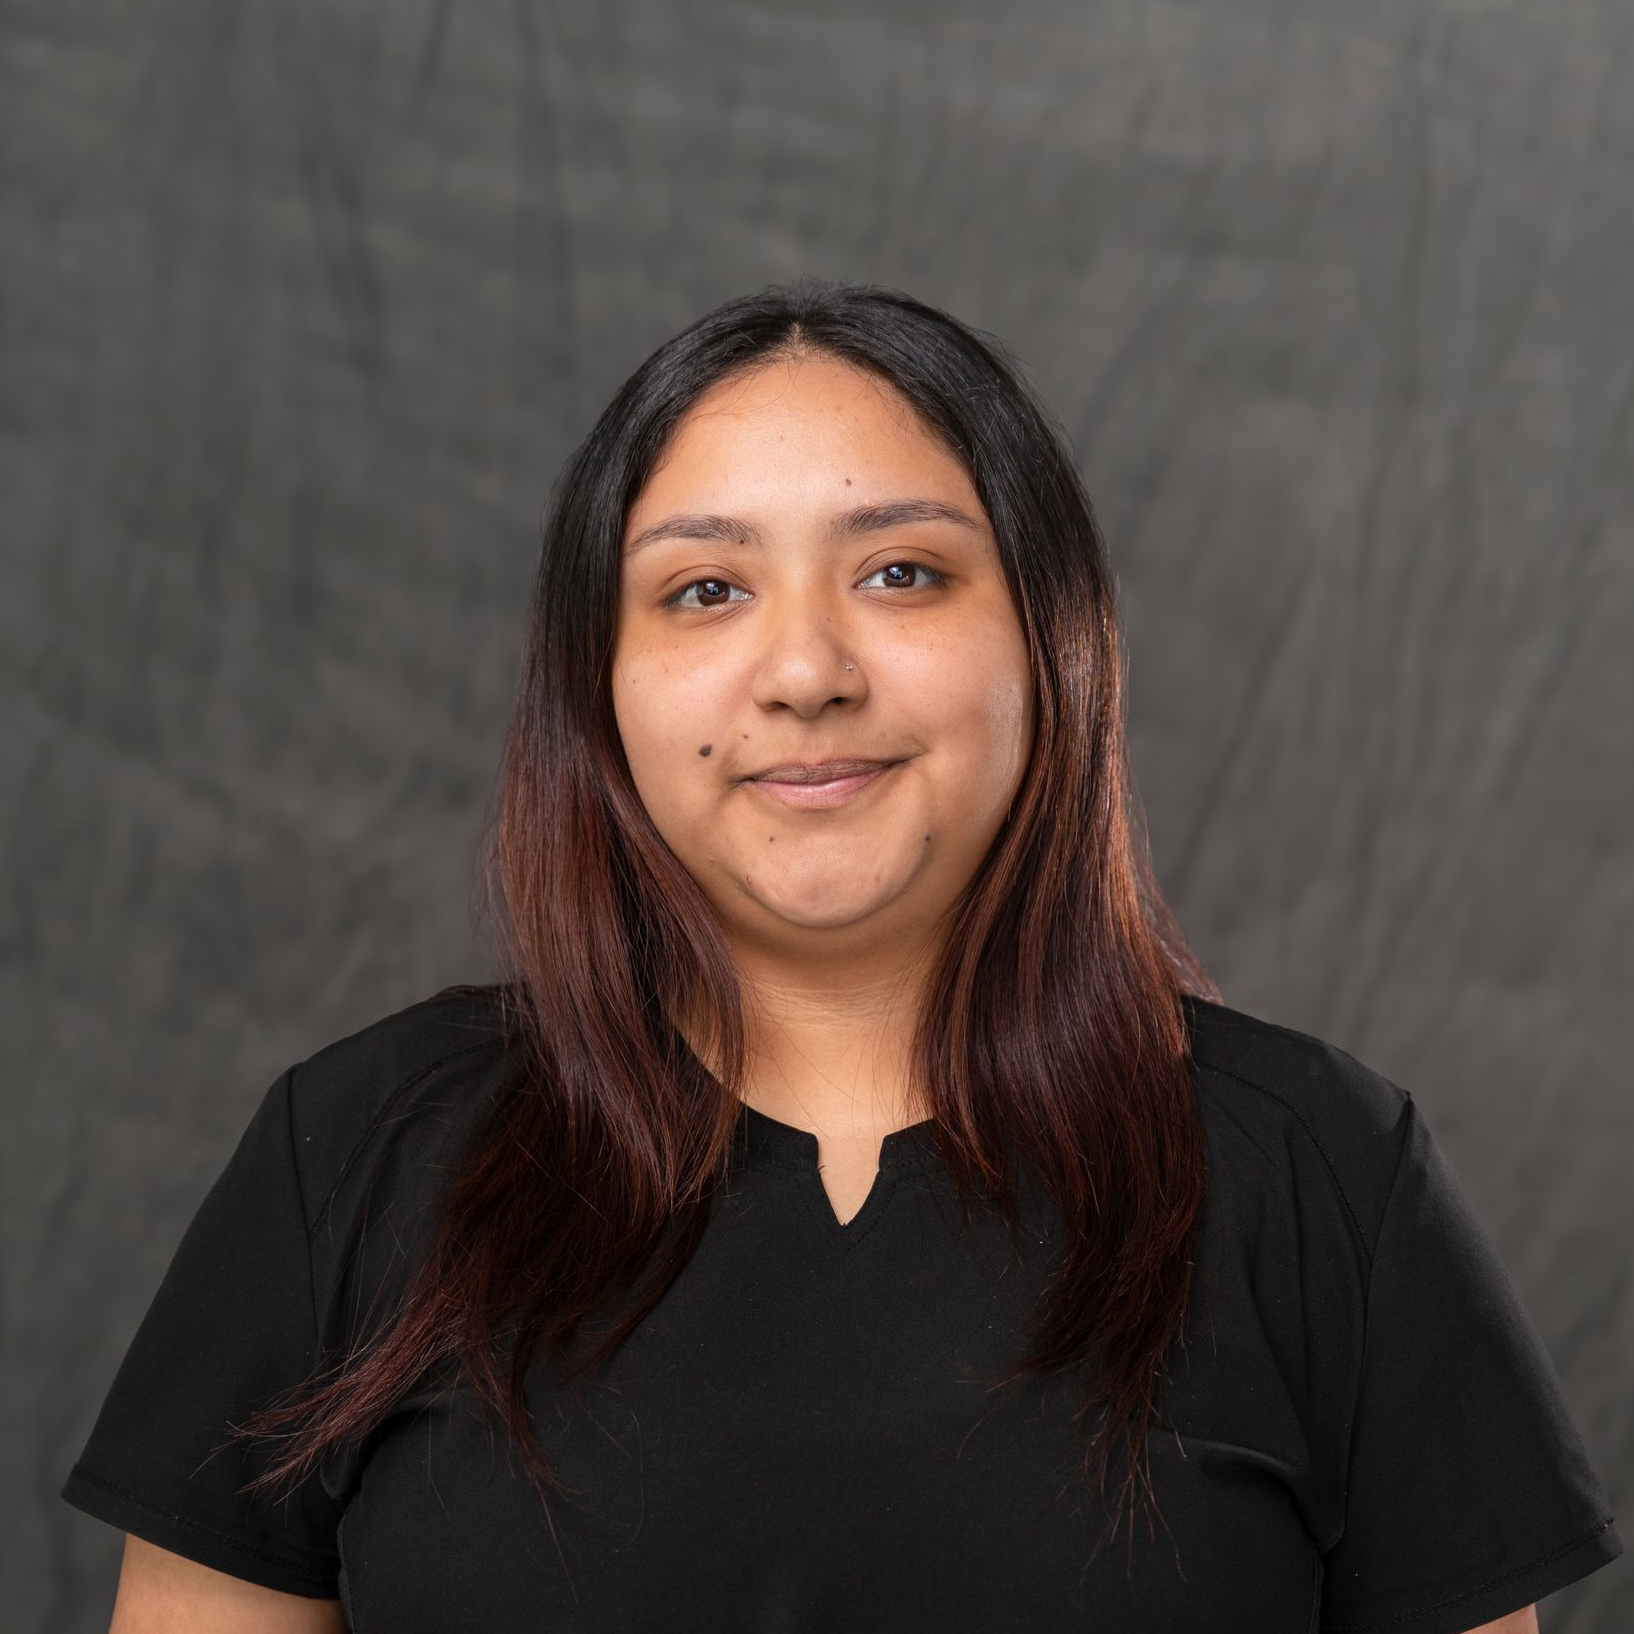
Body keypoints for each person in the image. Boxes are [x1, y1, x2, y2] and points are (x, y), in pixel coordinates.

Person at [62, 278, 1620, 1633]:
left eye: (899, 572)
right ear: (597, 682)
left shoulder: (1322, 1178)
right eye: (704, 590)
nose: (804, 670)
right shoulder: (355, 1155)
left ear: (1051, 639)